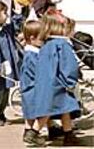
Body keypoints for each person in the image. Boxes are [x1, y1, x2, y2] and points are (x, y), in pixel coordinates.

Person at [32, 10, 80, 146]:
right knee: (51, 109)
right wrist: (70, 81)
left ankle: (68, 134)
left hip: (47, 82)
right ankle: (33, 132)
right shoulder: (62, 45)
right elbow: (68, 65)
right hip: (59, 84)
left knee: (65, 109)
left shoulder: (46, 45)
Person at [19, 20, 46, 147]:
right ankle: (33, 133)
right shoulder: (32, 55)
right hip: (34, 88)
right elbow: (38, 72)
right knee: (46, 110)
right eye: (42, 38)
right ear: (32, 38)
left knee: (29, 112)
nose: (45, 41)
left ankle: (28, 131)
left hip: (28, 88)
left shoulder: (30, 53)